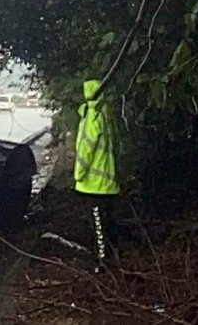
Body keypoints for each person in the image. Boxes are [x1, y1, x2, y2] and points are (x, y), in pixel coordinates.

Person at [74, 79, 120, 269]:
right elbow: (116, 144)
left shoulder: (92, 117)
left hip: (93, 185)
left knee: (98, 227)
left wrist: (78, 175)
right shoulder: (107, 114)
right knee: (107, 223)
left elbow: (86, 150)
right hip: (108, 182)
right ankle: (112, 258)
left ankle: (103, 265)